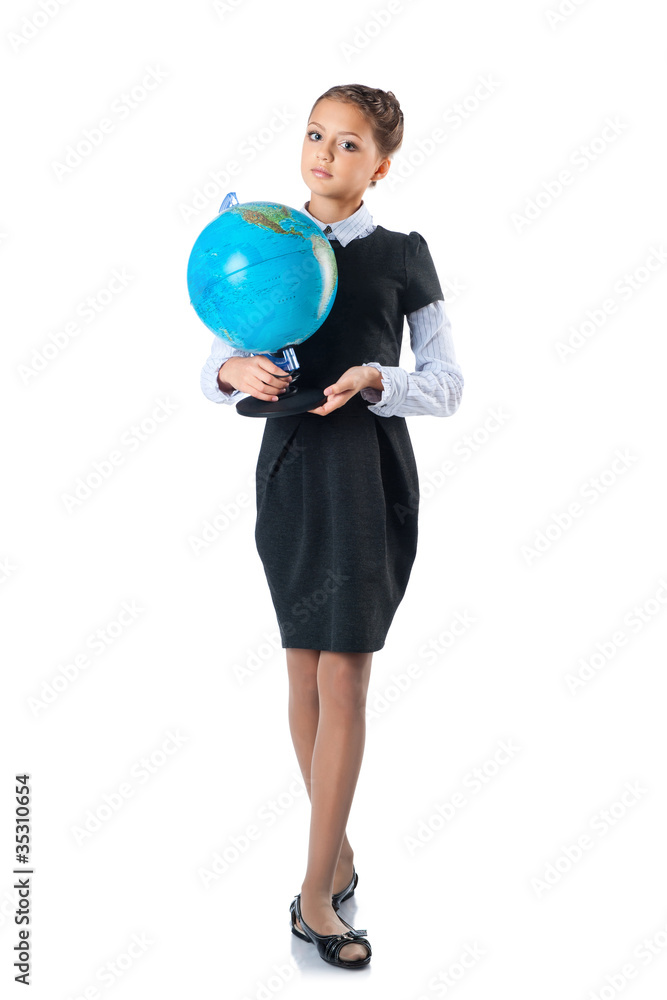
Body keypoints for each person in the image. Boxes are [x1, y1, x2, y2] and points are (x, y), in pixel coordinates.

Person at [200, 83, 464, 969]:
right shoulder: (266, 238)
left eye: (349, 144)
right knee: (303, 673)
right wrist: (233, 370)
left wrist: (375, 379)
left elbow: (447, 385)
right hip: (288, 472)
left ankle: (315, 896)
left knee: (344, 674)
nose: (325, 153)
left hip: (365, 475)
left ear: (380, 167)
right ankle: (338, 853)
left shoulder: (400, 254)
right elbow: (219, 357)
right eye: (316, 134)